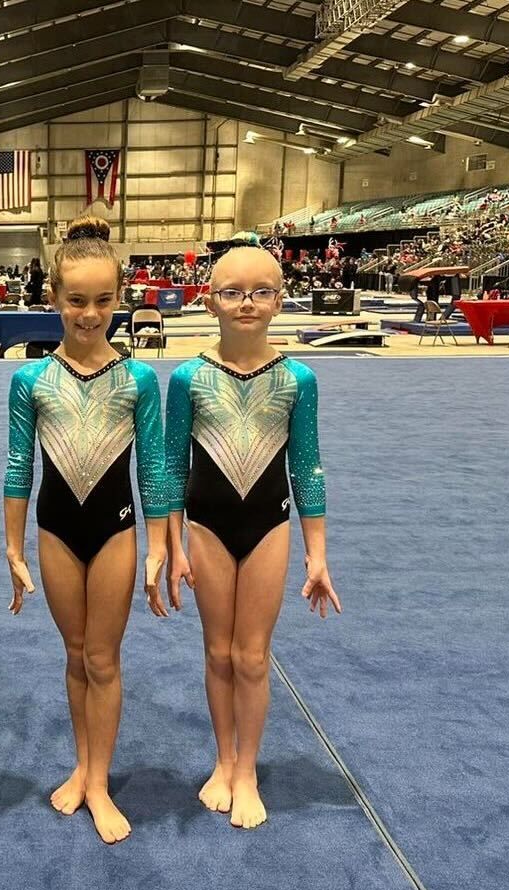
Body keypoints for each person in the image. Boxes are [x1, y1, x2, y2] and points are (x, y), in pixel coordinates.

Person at [4, 216, 169, 845]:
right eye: (76, 300)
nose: (90, 314)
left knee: (104, 657)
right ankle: (82, 765)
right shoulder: (31, 380)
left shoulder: (138, 380)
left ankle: (99, 781)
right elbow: (19, 466)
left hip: (116, 531)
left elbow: (153, 467)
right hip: (54, 530)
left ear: (119, 299)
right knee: (74, 655)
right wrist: (12, 547)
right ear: (53, 298)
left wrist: (159, 546)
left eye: (103, 300)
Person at [165, 245, 340, 831]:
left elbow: (307, 467)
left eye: (260, 291)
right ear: (210, 298)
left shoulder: (298, 379)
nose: (247, 303)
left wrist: (317, 554)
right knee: (218, 651)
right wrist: (169, 545)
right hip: (206, 527)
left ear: (279, 299)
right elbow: (169, 466)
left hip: (269, 526)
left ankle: (247, 769)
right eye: (233, 292)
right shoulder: (189, 377)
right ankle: (222, 758)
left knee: (252, 655)